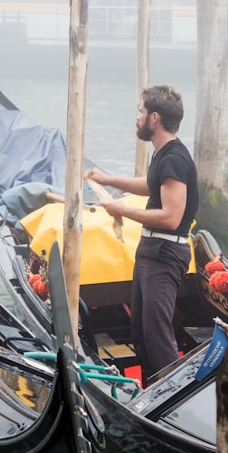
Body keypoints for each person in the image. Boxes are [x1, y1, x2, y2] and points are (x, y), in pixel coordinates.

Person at [87, 85, 199, 383]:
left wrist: (120, 210)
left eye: (140, 111)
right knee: (142, 334)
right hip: (152, 253)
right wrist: (107, 180)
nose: (136, 117)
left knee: (158, 336)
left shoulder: (174, 158)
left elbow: (171, 217)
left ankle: (170, 406)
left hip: (164, 254)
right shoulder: (164, 155)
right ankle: (150, 396)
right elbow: (152, 185)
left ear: (155, 118)